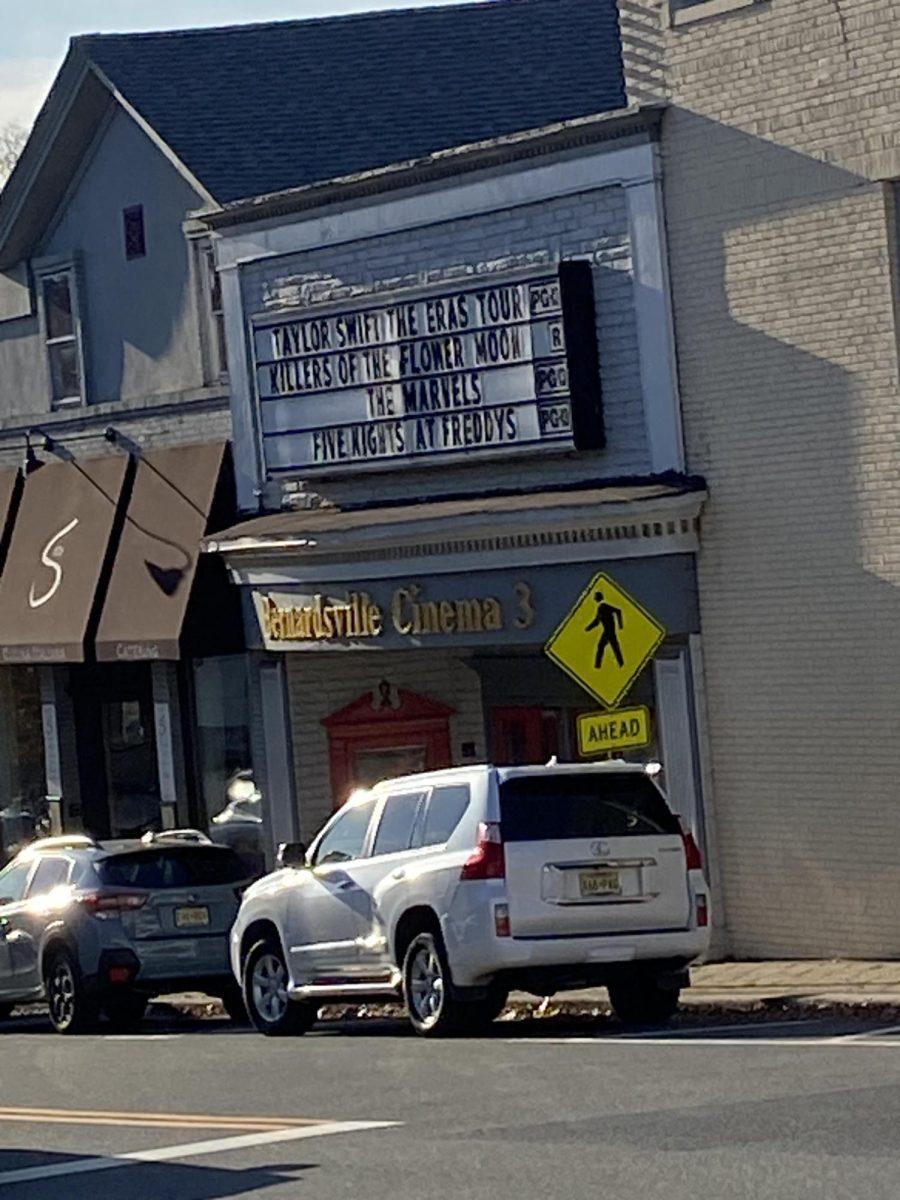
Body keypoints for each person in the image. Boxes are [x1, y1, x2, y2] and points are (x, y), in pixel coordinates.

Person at [585, 590, 625, 669]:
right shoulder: (600, 608)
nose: (594, 598)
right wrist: (588, 628)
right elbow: (597, 621)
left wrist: (620, 625)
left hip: (609, 632)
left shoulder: (604, 606)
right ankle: (599, 666)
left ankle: (599, 666)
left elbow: (618, 611)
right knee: (608, 647)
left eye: (595, 597)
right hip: (607, 632)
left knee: (609, 647)